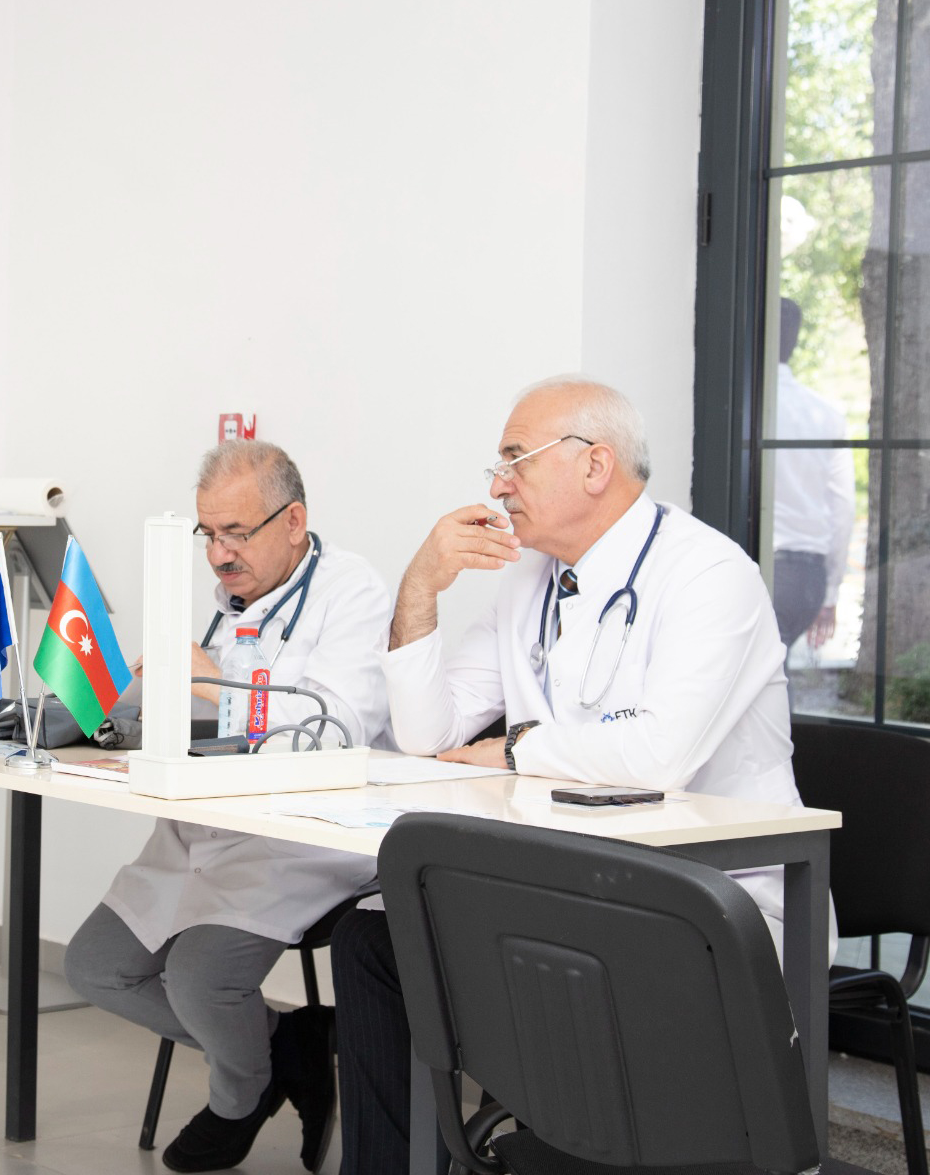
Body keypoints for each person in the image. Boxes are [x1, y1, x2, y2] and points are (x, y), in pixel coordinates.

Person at [332, 375, 824, 1175]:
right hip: (578, 879)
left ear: (595, 466)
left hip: (705, 901)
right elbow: (428, 732)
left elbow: (657, 755)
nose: (497, 487)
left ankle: (562, 1143)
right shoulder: (531, 580)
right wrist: (421, 586)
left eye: (515, 461)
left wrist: (517, 747)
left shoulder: (707, 575)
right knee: (373, 938)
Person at [64, 441, 393, 1174]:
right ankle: (288, 1046)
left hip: (301, 836)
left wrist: (214, 680)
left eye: (236, 533)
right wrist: (116, 711)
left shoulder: (352, 592)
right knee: (92, 968)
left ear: (294, 520)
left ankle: (240, 1093)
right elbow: (208, 712)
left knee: (200, 978)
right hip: (207, 824)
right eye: (208, 533)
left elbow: (334, 731)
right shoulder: (231, 601)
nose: (218, 554)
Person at [771, 298, 854, 651]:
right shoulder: (827, 415)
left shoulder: (746, 411)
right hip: (807, 578)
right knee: (774, 673)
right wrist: (830, 592)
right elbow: (843, 508)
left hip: (763, 567)